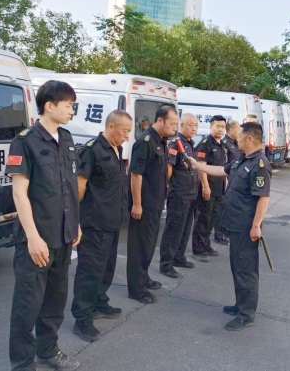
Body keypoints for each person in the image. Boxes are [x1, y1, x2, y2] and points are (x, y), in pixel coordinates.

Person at [6, 81, 81, 371]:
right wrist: (33, 237)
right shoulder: (25, 141)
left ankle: (48, 351)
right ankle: (22, 363)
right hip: (38, 240)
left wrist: (76, 224)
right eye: (69, 105)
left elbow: (69, 187)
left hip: (63, 236)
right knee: (27, 305)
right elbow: (19, 193)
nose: (72, 110)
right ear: (50, 106)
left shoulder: (68, 138)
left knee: (55, 301)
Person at [189, 122, 271, 331]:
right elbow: (221, 170)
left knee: (246, 270)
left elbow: (263, 198)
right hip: (235, 225)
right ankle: (240, 304)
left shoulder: (260, 164)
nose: (236, 139)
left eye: (240, 136)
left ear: (250, 139)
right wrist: (198, 166)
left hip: (246, 227)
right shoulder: (242, 159)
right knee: (237, 267)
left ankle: (246, 315)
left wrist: (256, 226)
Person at [71, 110, 133, 342]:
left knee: (106, 268)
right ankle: (82, 319)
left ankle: (99, 302)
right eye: (125, 131)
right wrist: (75, 220)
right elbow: (79, 187)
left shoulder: (116, 149)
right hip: (94, 223)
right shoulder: (92, 150)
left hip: (112, 222)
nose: (127, 136)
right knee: (90, 271)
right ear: (110, 126)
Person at [127, 106, 179, 303]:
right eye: (172, 124)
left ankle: (144, 277)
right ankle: (136, 289)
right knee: (140, 246)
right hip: (144, 205)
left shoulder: (162, 141)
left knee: (149, 244)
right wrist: (137, 204)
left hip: (156, 203)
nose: (175, 128)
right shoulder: (145, 142)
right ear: (160, 121)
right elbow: (136, 175)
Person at [159, 113, 200, 279]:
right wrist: (165, 190)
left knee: (185, 229)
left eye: (196, 125)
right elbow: (168, 170)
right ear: (182, 125)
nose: (194, 128)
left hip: (191, 194)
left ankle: (179, 257)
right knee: (174, 230)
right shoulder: (176, 144)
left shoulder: (191, 144)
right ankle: (166, 264)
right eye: (191, 125)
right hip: (179, 194)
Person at [192, 115, 228, 258]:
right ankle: (198, 249)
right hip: (209, 189)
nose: (220, 129)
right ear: (211, 127)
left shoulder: (223, 145)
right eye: (217, 126)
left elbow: (223, 167)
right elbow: (201, 168)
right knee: (203, 220)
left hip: (219, 189)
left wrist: (226, 183)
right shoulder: (205, 144)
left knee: (212, 220)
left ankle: (206, 246)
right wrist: (205, 186)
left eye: (223, 127)